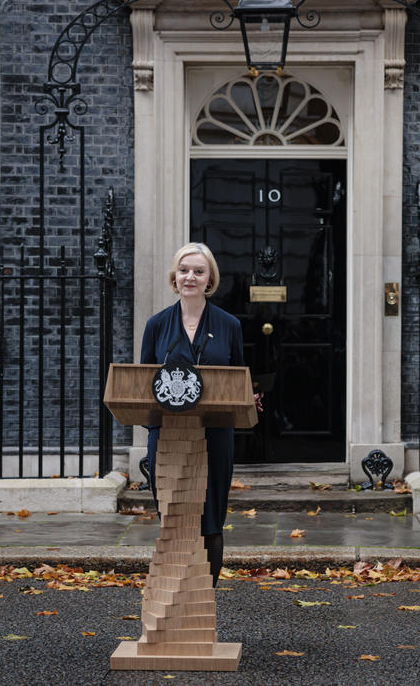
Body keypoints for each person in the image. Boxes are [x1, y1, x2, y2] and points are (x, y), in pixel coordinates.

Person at [140, 242, 260, 586]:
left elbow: (237, 378)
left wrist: (248, 397)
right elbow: (144, 382)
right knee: (173, 520)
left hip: (215, 435)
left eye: (198, 271)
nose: (189, 277)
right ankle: (174, 602)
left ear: (210, 280)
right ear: (173, 277)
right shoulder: (156, 325)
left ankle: (204, 601)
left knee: (210, 521)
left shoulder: (229, 325)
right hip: (167, 437)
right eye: (183, 270)